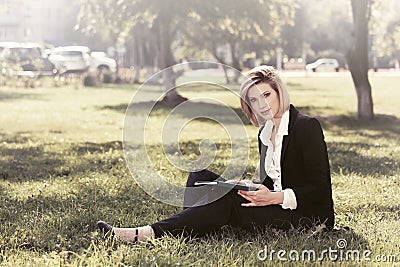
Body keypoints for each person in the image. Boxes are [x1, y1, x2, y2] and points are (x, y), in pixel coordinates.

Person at [97, 65, 334, 242]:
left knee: (225, 198)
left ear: (279, 92)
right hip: (274, 203)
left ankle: (146, 234)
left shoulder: (306, 126)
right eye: (253, 100)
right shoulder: (266, 130)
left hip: (306, 217)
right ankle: (195, 224)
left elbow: (319, 188)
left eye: (266, 95)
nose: (261, 104)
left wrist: (274, 197)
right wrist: (247, 185)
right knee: (199, 176)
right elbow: (272, 181)